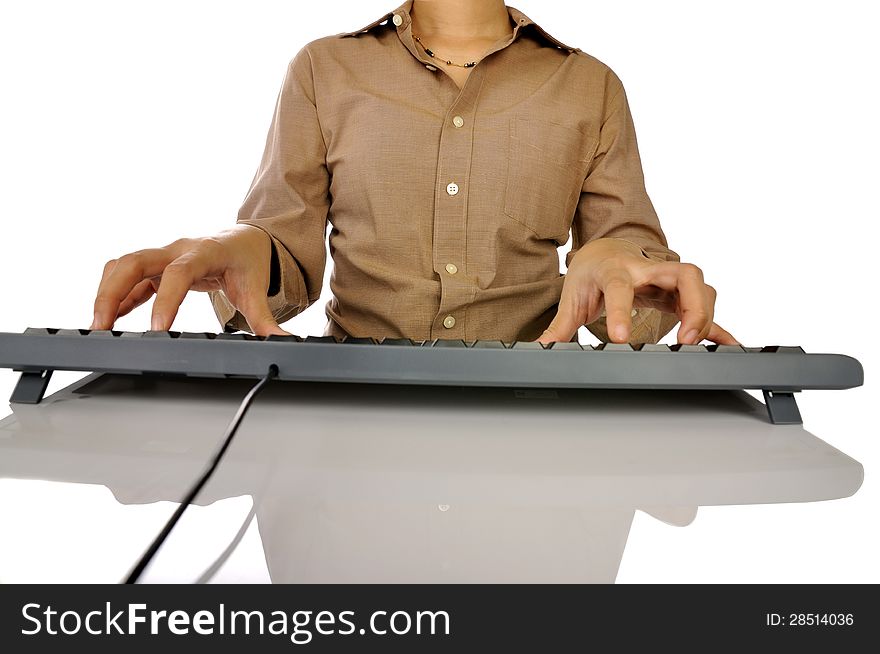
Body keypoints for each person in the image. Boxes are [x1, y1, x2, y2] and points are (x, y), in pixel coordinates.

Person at [90, 0, 738, 346]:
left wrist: (627, 272)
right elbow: (284, 255)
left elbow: (624, 257)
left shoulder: (589, 85)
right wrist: (238, 247)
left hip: (544, 414)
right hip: (345, 418)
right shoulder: (324, 69)